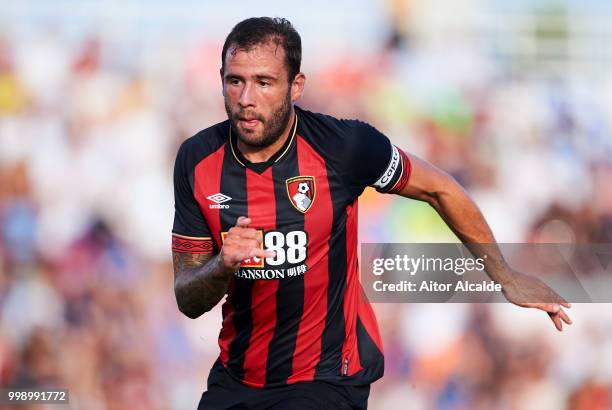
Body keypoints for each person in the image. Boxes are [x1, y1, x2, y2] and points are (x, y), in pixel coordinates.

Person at [171, 17, 572, 410]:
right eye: (235, 80)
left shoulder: (344, 147)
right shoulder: (197, 160)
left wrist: (505, 276)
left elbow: (439, 188)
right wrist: (222, 265)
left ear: (296, 86)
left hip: (327, 378)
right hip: (237, 377)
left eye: (264, 82)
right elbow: (188, 297)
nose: (246, 99)